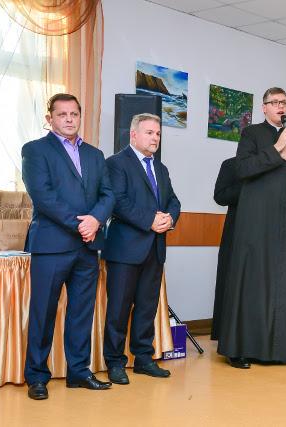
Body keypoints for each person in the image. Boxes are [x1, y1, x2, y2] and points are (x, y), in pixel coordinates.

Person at [21, 93, 115, 400]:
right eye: (62, 114)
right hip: (51, 245)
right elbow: (43, 196)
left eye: (74, 113)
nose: (69, 119)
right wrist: (81, 224)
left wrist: (96, 220)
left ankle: (79, 372)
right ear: (50, 119)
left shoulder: (95, 154)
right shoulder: (35, 150)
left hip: (87, 248)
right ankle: (37, 376)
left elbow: (108, 194)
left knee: (81, 313)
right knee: (43, 313)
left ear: (80, 116)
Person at [217, 87, 286, 369]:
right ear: (264, 107)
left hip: (284, 224)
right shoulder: (251, 134)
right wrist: (277, 148)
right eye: (275, 102)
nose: (281, 107)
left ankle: (278, 350)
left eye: (285, 102)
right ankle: (240, 349)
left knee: (282, 282)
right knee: (252, 281)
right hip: (256, 221)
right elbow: (244, 169)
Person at [102, 113, 181, 385]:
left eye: (158, 134)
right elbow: (118, 202)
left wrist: (170, 218)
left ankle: (143, 358)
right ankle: (115, 362)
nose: (155, 138)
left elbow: (173, 200)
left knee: (147, 308)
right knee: (118, 309)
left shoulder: (161, 168)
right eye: (149, 133)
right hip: (125, 250)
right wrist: (151, 220)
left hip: (155, 249)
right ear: (133, 135)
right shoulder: (116, 163)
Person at [211, 157, 241, 341]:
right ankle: (227, 332)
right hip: (236, 231)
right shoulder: (231, 165)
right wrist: (248, 185)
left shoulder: (273, 165)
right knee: (231, 278)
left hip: (266, 233)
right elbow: (220, 196)